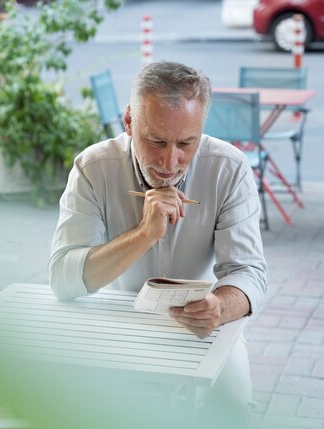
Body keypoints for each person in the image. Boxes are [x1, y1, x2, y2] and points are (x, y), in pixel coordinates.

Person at [48, 61, 267, 427]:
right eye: (156, 141)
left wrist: (219, 307)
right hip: (116, 321)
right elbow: (62, 279)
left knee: (233, 408)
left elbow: (249, 274)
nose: (170, 162)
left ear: (201, 130)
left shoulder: (229, 168)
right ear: (130, 122)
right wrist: (144, 234)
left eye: (186, 143)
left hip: (204, 324)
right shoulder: (94, 167)